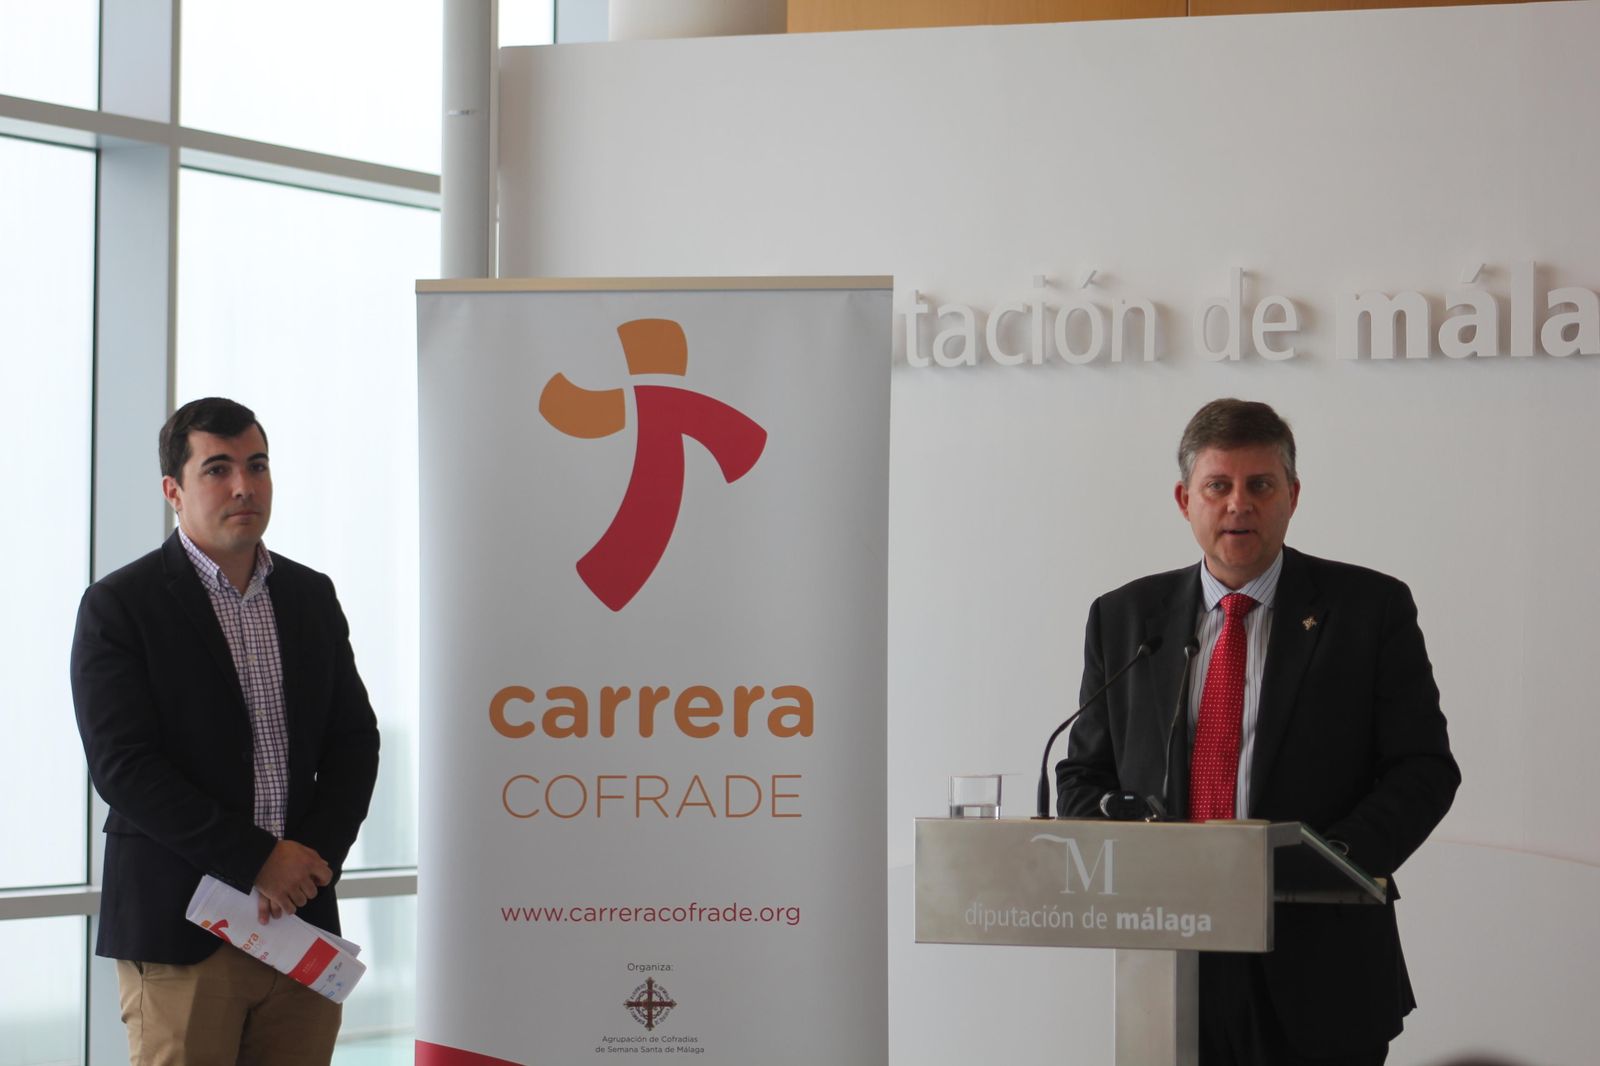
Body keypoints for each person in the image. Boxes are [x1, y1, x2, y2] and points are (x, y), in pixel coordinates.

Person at [1055, 398, 1460, 1066]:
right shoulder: (1124, 618)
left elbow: (1423, 769)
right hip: (1169, 961)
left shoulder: (1368, 609)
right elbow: (1082, 775)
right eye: (1218, 485)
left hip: (1321, 964)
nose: (1238, 504)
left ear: (1292, 496)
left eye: (1260, 485)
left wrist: (1333, 860)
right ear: (1185, 500)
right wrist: (1120, 837)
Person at [70, 397, 380, 1065]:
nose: (244, 486)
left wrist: (308, 865)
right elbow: (124, 768)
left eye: (257, 465)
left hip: (298, 927)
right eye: (217, 469)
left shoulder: (310, 595)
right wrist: (259, 860)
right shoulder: (120, 606)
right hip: (181, 933)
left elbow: (354, 742)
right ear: (173, 491)